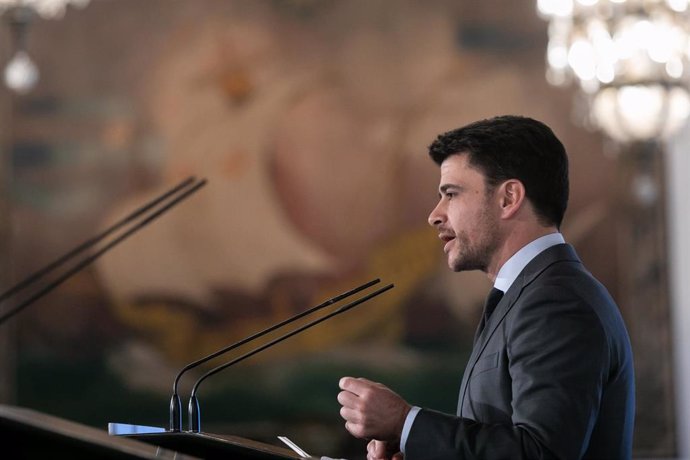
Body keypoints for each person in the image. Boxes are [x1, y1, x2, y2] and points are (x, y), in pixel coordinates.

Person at [337, 115, 635, 459]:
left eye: (451, 194)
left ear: (509, 197)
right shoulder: (529, 294)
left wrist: (405, 424)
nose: (435, 215)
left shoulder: (556, 301)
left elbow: (540, 454)